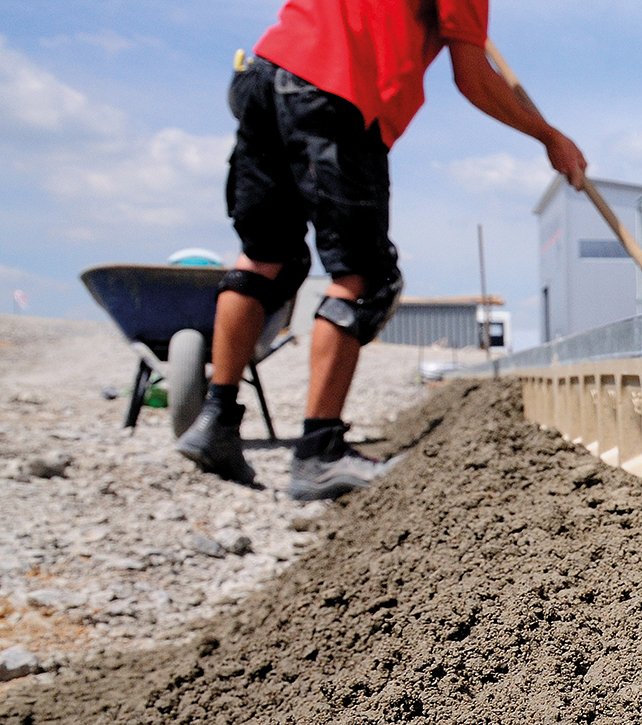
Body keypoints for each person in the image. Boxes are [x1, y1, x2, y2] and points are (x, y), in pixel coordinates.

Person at [176, 0, 586, 500]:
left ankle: (216, 419)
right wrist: (548, 136)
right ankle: (319, 452)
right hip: (334, 89)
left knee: (265, 259)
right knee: (364, 277)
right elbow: (473, 78)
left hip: (265, 75)